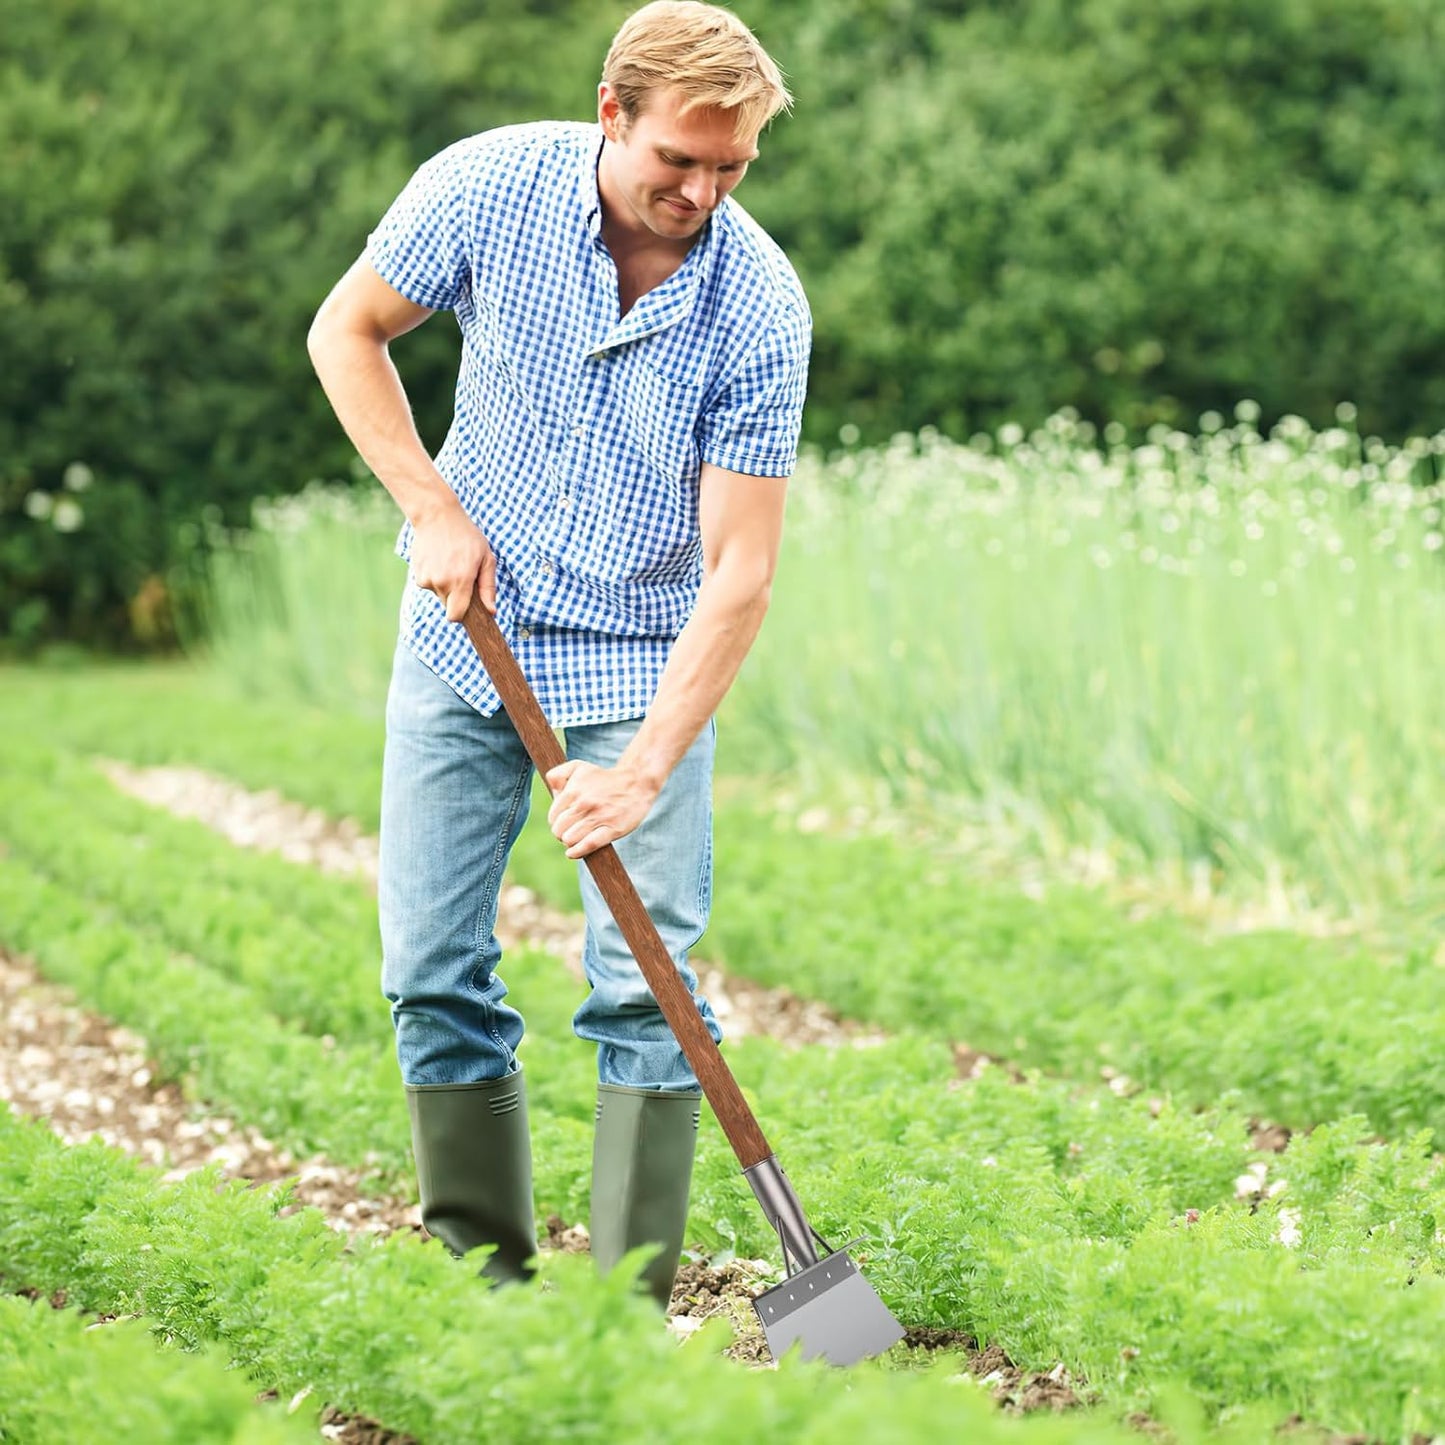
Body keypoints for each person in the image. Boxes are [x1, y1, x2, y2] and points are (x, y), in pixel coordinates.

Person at [306, 0, 809, 1309]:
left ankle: (626, 1314)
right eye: (676, 163)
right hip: (465, 632)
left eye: (730, 169)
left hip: (639, 654)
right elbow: (343, 331)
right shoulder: (484, 190)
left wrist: (641, 768)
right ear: (611, 115)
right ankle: (494, 1296)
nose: (700, 192)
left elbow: (738, 573)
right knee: (429, 969)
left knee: (647, 990)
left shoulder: (757, 306)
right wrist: (430, 502)